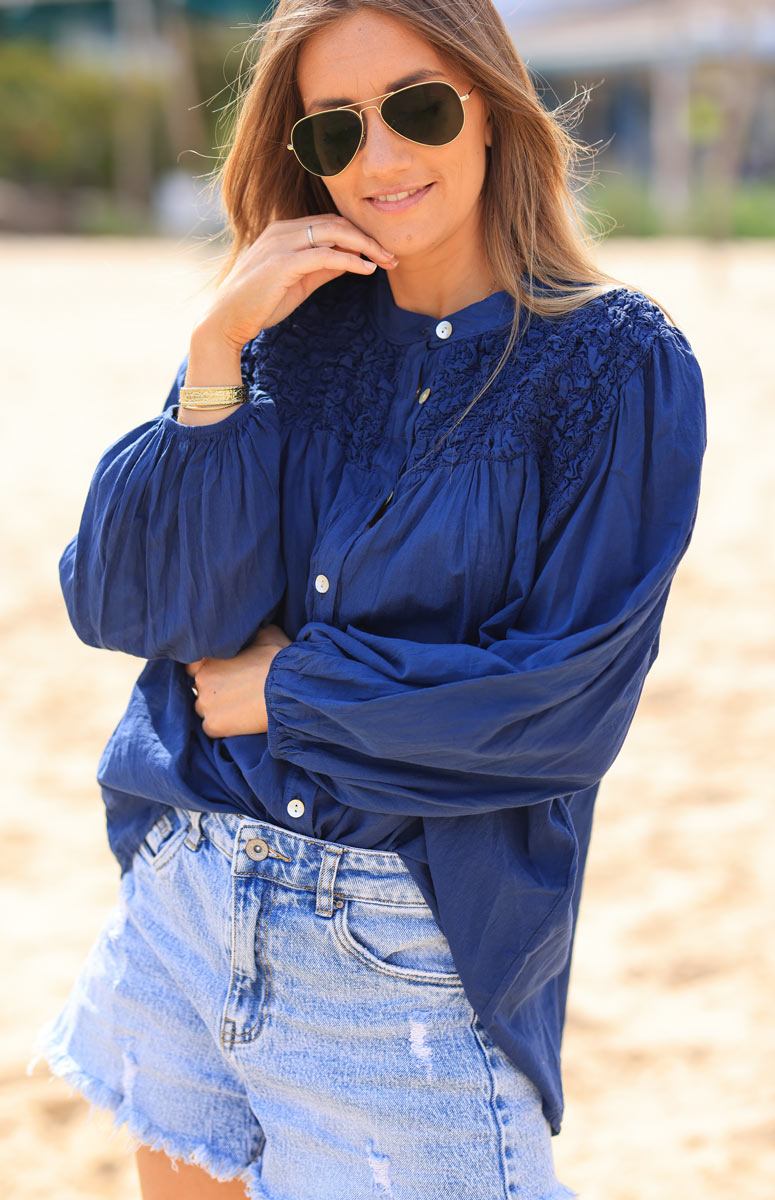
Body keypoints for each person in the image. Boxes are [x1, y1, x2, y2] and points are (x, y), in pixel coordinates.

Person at [33, 1, 707, 1197]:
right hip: (192, 901)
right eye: (332, 132)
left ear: (492, 111)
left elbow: (557, 710)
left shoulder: (614, 365)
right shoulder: (276, 337)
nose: (380, 159)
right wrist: (210, 356)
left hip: (403, 953)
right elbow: (132, 602)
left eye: (417, 108)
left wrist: (285, 691)